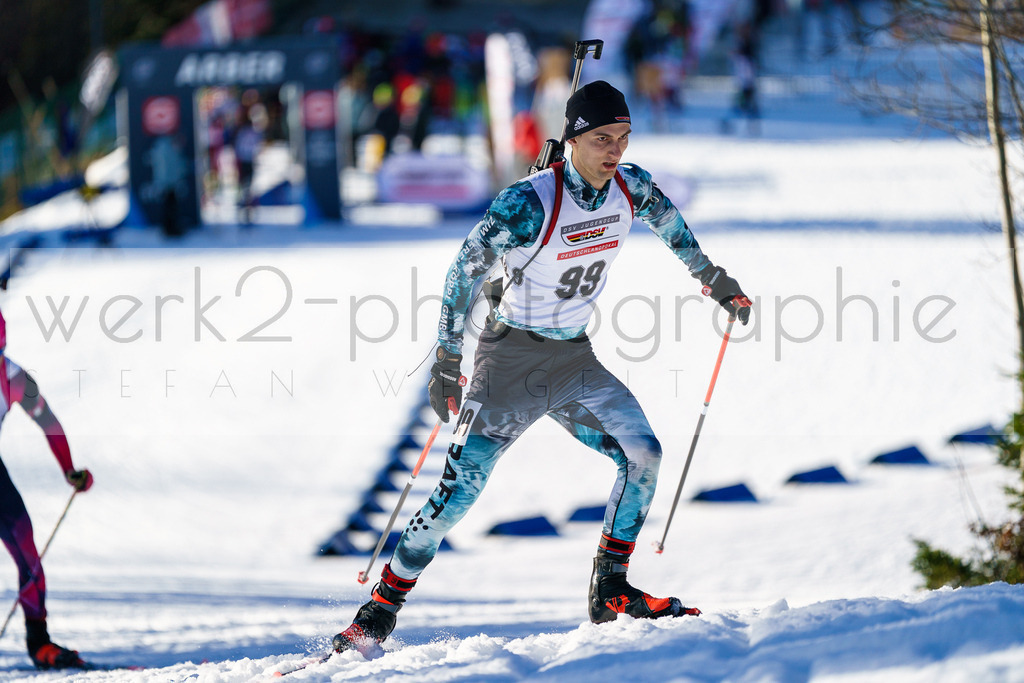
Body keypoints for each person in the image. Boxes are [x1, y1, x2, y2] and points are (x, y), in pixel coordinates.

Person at [333, 81, 751, 652]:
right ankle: (375, 615)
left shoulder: (631, 188)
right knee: (459, 491)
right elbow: (463, 274)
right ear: (575, 138)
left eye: (623, 138)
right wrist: (448, 361)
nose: (615, 151)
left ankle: (611, 590)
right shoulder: (528, 202)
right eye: (602, 138)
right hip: (510, 360)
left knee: (644, 455)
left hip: (574, 357)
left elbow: (674, 231)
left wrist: (715, 280)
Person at [0, 310, 93, 670]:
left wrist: (70, 470)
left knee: (26, 547)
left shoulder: (12, 376)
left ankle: (39, 642)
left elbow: (49, 422)